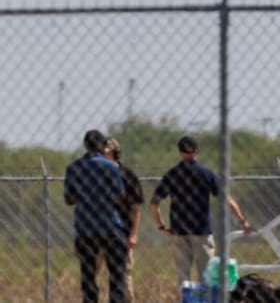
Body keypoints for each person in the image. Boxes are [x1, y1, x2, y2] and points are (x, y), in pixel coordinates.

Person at [149, 135, 253, 288]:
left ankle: (185, 298)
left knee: (183, 277)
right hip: (201, 231)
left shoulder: (172, 175)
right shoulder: (206, 174)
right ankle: (207, 298)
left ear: (180, 152)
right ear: (197, 152)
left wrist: (161, 226)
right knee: (207, 276)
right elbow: (227, 200)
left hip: (179, 231)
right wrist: (243, 221)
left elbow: (153, 204)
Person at [64, 129, 128, 303]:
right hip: (110, 226)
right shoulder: (111, 167)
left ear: (85, 145)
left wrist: (85, 196)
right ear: (102, 145)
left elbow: (68, 199)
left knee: (88, 275)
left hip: (86, 227)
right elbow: (120, 196)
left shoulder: (74, 168)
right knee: (117, 275)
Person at [101, 137, 143, 302]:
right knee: (92, 273)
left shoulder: (128, 175)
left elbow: (136, 208)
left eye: (106, 153)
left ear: (115, 153)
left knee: (123, 274)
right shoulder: (97, 175)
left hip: (122, 233)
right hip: (99, 232)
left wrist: (133, 234)